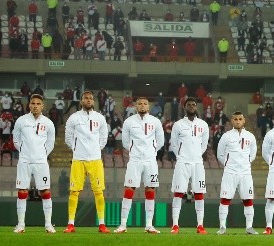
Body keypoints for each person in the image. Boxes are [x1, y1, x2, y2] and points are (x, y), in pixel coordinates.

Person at [114, 97, 164, 234]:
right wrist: (134, 151)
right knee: (129, 189)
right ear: (136, 106)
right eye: (140, 104)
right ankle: (123, 224)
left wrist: (151, 151)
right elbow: (125, 142)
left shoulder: (155, 122)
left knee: (150, 190)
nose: (142, 106)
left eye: (145, 104)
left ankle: (149, 225)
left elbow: (160, 141)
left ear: (149, 107)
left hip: (150, 161)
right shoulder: (129, 122)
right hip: (135, 160)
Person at [63, 90, 110, 233]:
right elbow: (68, 138)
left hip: (95, 159)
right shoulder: (74, 118)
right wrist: (77, 149)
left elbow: (103, 138)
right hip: (78, 159)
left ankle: (102, 224)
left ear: (93, 101)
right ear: (81, 101)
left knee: (99, 192)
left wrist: (95, 149)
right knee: (74, 191)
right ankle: (71, 224)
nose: (88, 100)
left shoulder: (100, 118)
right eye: (85, 98)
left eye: (90, 98)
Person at [12, 94, 56, 233]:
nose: (35, 105)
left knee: (45, 191)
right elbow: (16, 140)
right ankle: (21, 225)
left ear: (42, 106)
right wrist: (23, 151)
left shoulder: (48, 123)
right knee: (22, 191)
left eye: (38, 103)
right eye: (33, 103)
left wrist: (42, 154)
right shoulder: (21, 120)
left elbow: (50, 143)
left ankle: (48, 225)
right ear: (29, 105)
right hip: (24, 161)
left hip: (41, 162)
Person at [169, 97, 210, 234]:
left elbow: (204, 145)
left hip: (198, 163)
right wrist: (181, 156)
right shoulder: (178, 124)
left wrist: (197, 155)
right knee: (178, 193)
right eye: (189, 105)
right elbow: (173, 144)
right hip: (182, 162)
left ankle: (200, 225)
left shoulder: (203, 125)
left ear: (197, 107)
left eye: (194, 105)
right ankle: (175, 225)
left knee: (199, 193)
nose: (192, 106)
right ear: (184, 107)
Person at [216, 112, 258, 235]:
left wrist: (244, 163)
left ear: (244, 120)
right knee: (225, 198)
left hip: (245, 172)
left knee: (248, 199)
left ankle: (249, 227)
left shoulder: (250, 136)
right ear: (231, 121)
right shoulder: (226, 136)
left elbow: (253, 154)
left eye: (240, 119)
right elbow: (220, 154)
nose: (238, 121)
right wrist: (229, 164)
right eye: (235, 119)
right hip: (230, 172)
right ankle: (222, 227)